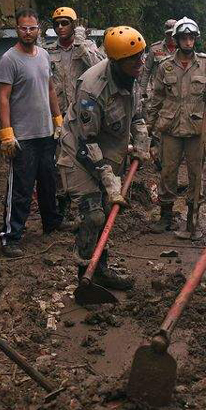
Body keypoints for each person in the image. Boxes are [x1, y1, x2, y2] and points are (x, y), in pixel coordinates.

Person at [58, 26, 151, 292]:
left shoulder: (131, 77)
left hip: (108, 151)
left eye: (142, 56)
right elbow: (87, 143)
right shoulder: (92, 90)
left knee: (108, 212)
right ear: (116, 61)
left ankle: (100, 269)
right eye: (134, 59)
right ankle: (84, 273)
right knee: (94, 216)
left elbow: (136, 115)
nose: (141, 63)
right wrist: (109, 180)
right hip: (79, 153)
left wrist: (142, 138)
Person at [145, 17, 206, 239]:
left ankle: (193, 219)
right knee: (167, 172)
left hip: (197, 129)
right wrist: (149, 128)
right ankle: (166, 217)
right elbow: (156, 98)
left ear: (195, 39)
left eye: (191, 38)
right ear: (177, 40)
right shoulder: (165, 66)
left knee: (195, 174)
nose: (188, 42)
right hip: (170, 128)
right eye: (184, 38)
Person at [0, 8, 63, 257]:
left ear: (39, 29)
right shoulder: (9, 59)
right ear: (17, 29)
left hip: (45, 132)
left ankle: (51, 222)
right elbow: (3, 98)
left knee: (48, 182)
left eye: (32, 28)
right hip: (22, 137)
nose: (28, 32)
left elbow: (51, 89)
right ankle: (10, 236)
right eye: (23, 28)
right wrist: (7, 133)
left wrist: (58, 119)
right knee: (21, 189)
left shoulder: (44, 55)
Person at [44, 7, 105, 224]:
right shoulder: (48, 51)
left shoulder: (87, 47)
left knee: (91, 156)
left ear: (73, 24)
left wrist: (80, 43)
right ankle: (63, 207)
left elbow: (100, 68)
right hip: (60, 116)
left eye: (65, 23)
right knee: (61, 160)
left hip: (86, 115)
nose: (61, 27)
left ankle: (94, 203)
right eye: (57, 23)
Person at [136, 18, 178, 109]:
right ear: (165, 33)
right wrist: (142, 92)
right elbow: (146, 71)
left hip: (176, 93)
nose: (170, 37)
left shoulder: (182, 50)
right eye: (168, 34)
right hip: (157, 92)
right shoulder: (155, 48)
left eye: (173, 34)